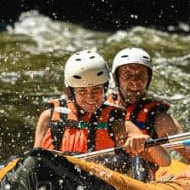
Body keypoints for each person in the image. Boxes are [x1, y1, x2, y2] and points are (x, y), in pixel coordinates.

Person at [33, 49, 170, 172]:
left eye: (96, 90)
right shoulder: (48, 117)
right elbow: (34, 160)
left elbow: (165, 161)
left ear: (105, 89)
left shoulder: (116, 122)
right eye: (82, 91)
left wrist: (145, 140)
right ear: (71, 92)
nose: (90, 96)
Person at [109, 47, 190, 180]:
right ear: (117, 79)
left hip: (141, 179)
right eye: (127, 76)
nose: (135, 82)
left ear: (148, 79)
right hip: (105, 169)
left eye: (140, 76)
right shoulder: (103, 109)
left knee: (137, 159)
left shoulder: (159, 119)